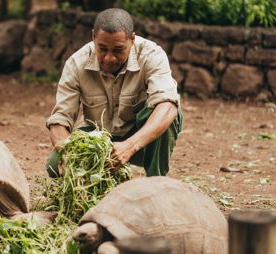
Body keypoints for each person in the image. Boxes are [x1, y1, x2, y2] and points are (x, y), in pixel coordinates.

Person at [46, 8, 183, 177]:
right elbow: (59, 119)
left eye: (118, 50)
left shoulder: (152, 55)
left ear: (132, 39)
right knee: (54, 164)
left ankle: (156, 182)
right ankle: (96, 189)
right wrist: (68, 151)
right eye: (102, 48)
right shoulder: (76, 63)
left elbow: (168, 105)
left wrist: (130, 146)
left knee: (168, 109)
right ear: (93, 37)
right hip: (97, 138)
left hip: (140, 139)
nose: (109, 58)